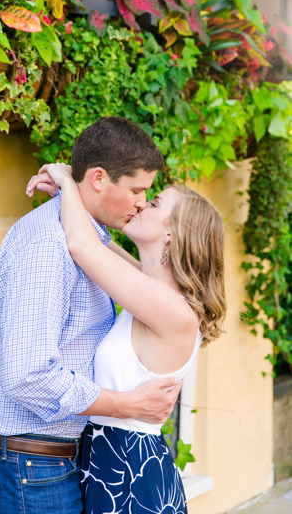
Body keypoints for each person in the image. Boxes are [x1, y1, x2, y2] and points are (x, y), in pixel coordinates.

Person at [0, 117, 182, 514]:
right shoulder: (49, 247)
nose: (142, 202)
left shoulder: (87, 240)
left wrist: (65, 183)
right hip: (27, 467)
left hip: (39, 464)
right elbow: (29, 374)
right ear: (98, 178)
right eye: (136, 190)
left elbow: (142, 283)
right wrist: (125, 404)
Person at [26, 161, 226, 514]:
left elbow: (83, 247)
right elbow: (98, 244)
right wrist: (79, 198)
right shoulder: (149, 290)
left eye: (155, 203)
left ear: (172, 234)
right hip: (107, 455)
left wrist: (68, 182)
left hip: (131, 469)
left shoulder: (174, 312)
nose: (142, 203)